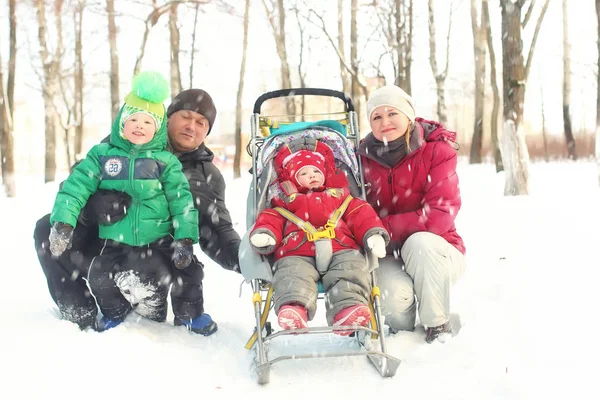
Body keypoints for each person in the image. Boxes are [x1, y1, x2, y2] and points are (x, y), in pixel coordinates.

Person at [33, 86, 241, 335]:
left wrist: (246, 259)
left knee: (150, 264)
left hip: (156, 255)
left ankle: (144, 308)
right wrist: (92, 208)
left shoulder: (207, 176)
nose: (191, 127)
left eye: (201, 123)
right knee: (47, 228)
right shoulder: (124, 142)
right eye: (185, 117)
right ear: (168, 116)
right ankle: (77, 314)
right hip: (107, 246)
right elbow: (74, 186)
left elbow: (218, 229)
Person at [48, 71, 200, 331]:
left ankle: (186, 315)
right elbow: (74, 188)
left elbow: (182, 201)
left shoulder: (165, 162)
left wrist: (185, 239)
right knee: (99, 275)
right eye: (133, 119)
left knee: (187, 270)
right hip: (114, 241)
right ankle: (114, 314)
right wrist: (64, 222)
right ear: (121, 123)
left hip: (157, 240)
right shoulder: (102, 155)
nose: (139, 125)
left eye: (148, 122)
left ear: (158, 129)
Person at [357, 85, 467, 344]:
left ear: (408, 115)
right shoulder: (361, 159)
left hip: (438, 250)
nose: (385, 122)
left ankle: (437, 325)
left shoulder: (436, 150)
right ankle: (403, 337)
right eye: (377, 117)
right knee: (391, 294)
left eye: (392, 113)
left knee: (420, 244)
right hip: (384, 252)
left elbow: (440, 214)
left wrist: (381, 227)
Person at [249, 141, 389, 335]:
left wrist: (373, 234)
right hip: (297, 250)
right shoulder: (283, 203)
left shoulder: (342, 197)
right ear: (292, 180)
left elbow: (361, 214)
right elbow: (271, 219)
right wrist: (266, 234)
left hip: (341, 247)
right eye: (304, 173)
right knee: (293, 273)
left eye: (316, 171)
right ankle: (294, 307)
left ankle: (347, 309)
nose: (311, 176)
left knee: (350, 269)